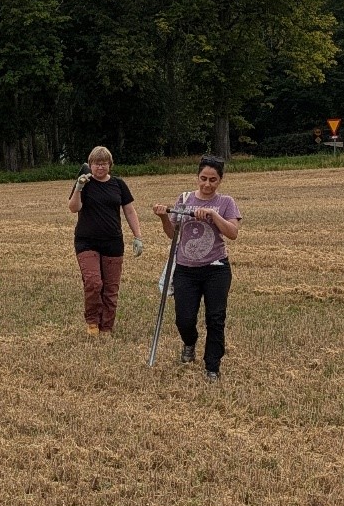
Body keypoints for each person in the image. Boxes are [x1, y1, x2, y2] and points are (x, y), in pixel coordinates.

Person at [155, 155, 241, 381]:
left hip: (216, 268)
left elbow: (232, 233)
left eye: (213, 180)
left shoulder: (226, 203)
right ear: (197, 177)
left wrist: (213, 215)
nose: (207, 184)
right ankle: (189, 342)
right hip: (185, 269)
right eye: (203, 178)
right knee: (184, 319)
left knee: (215, 318)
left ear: (220, 180)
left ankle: (212, 366)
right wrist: (164, 217)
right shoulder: (184, 199)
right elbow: (172, 234)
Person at [67, 146, 144, 337]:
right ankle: (92, 322)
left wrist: (138, 236)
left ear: (110, 165)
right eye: (96, 163)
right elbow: (73, 208)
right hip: (86, 242)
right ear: (90, 165)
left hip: (113, 242)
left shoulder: (118, 185)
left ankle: (107, 327)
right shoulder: (84, 183)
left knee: (110, 288)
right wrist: (78, 188)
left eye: (103, 163)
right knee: (93, 282)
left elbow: (129, 210)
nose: (100, 167)